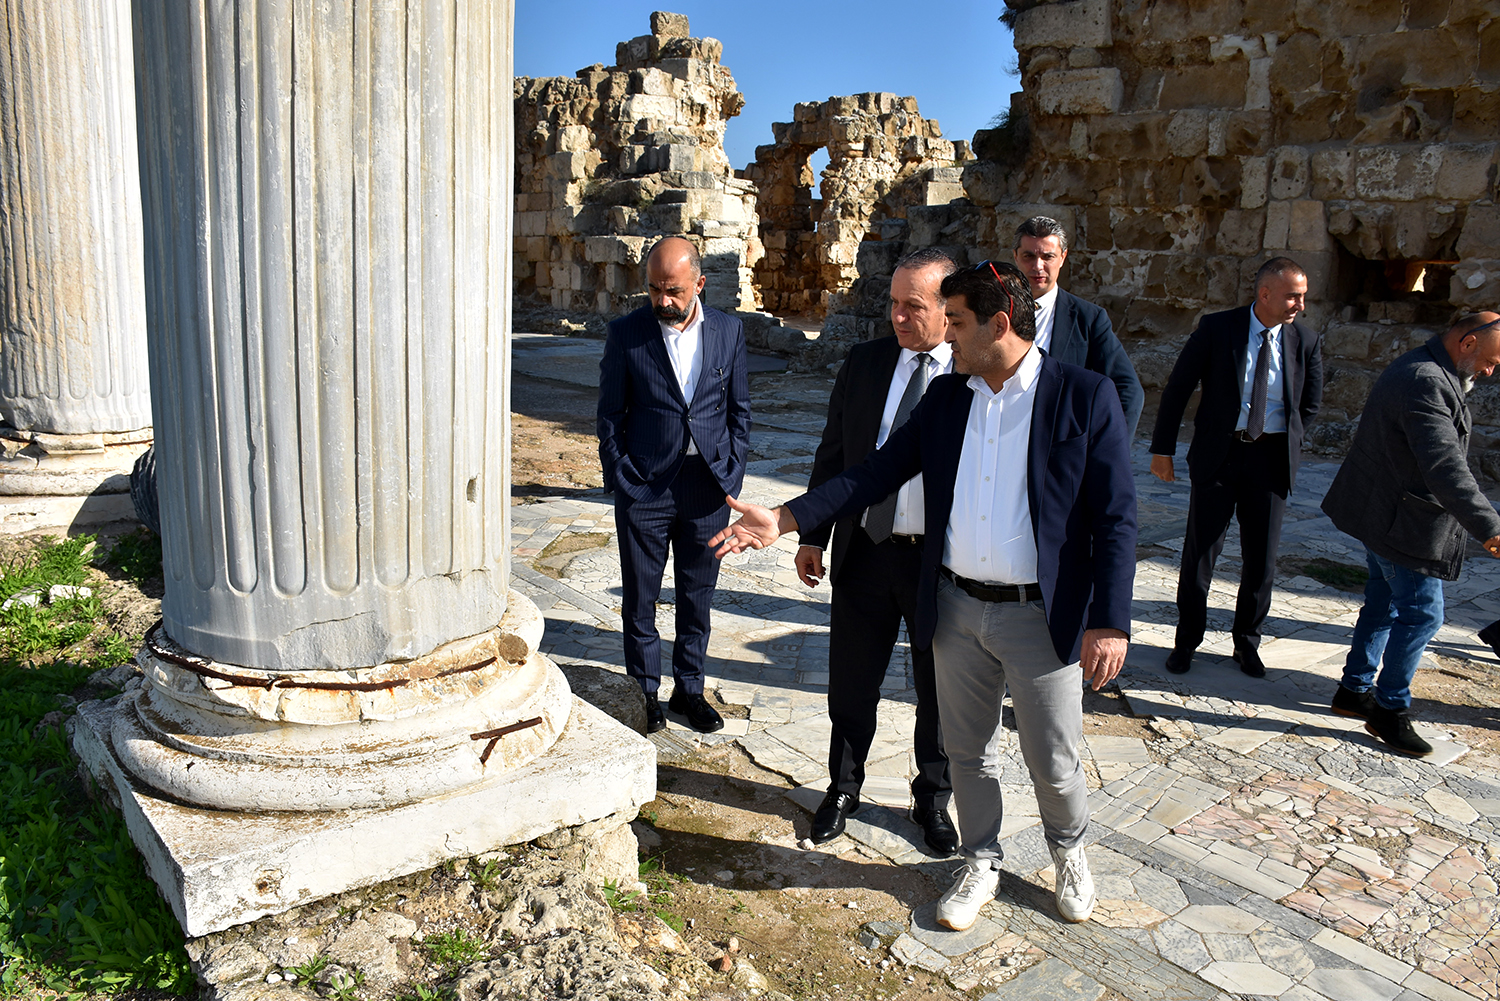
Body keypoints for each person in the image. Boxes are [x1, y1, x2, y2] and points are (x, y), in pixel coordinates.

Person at [710, 261, 1137, 931]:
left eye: (957, 321)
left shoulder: (1082, 395)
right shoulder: (948, 397)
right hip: (956, 609)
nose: (947, 334)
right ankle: (981, 859)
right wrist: (789, 519)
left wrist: (1109, 620)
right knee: (968, 754)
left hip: (1041, 615)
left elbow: (1115, 517)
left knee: (1053, 759)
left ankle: (1070, 852)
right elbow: (874, 472)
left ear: (999, 324)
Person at [793, 248, 958, 853]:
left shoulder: (971, 376)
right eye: (893, 303)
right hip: (864, 548)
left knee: (939, 687)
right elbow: (834, 452)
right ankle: (842, 787)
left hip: (938, 561)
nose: (898, 316)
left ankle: (932, 798)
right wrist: (813, 534)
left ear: (948, 308)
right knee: (852, 680)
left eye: (913, 305)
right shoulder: (865, 363)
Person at [1321, 312, 1500, 756]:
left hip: (1386, 513)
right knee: (1422, 615)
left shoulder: (1427, 368)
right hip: (1400, 521)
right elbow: (1444, 466)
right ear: (1467, 342)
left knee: (1383, 601)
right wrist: (1490, 528)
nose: (1489, 372)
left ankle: (1353, 690)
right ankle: (1389, 708)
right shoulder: (1425, 380)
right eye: (1490, 361)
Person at [596, 237, 751, 734]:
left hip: (707, 486)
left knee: (697, 595)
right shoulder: (627, 333)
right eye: (654, 289)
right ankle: (643, 693)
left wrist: (732, 469)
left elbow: (739, 411)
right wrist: (622, 476)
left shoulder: (729, 330)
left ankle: (689, 690)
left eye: (674, 291)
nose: (662, 300)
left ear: (699, 284)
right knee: (641, 598)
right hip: (645, 487)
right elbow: (609, 414)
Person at [1148, 257, 1323, 678]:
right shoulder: (1218, 328)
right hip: (1220, 456)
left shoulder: (1305, 340)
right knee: (1200, 555)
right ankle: (1186, 641)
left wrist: (1288, 439)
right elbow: (1179, 388)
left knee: (1261, 560)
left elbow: (1310, 403)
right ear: (1265, 294)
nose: (1300, 305)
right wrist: (1162, 449)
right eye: (1293, 296)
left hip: (1270, 461)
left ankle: (1247, 643)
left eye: (1303, 296)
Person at [1013, 216, 1144, 437]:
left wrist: (1110, 449)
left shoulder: (1088, 318)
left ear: (1062, 257)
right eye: (1029, 256)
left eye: (1048, 257)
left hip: (1056, 443)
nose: (1038, 266)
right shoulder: (990, 311)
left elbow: (1128, 389)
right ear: (1015, 256)